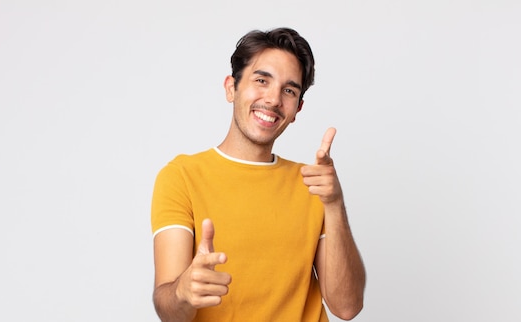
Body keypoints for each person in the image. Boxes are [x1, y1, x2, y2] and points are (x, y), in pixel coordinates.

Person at [151, 27, 366, 321]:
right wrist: (183, 292)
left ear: (297, 109)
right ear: (231, 87)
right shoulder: (181, 177)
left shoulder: (313, 185)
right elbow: (169, 310)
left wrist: (335, 204)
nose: (274, 99)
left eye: (289, 90)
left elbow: (347, 307)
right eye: (261, 80)